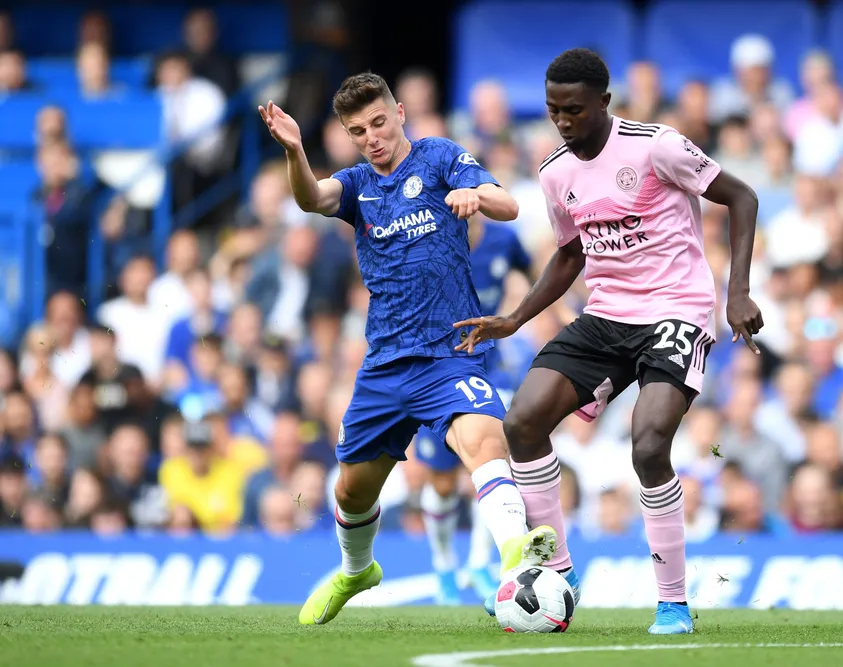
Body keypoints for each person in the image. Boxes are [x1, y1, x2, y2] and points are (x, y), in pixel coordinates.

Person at [454, 48, 763, 634]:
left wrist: (737, 291)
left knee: (648, 447)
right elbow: (571, 253)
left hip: (677, 310)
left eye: (573, 109)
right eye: (552, 110)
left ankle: (672, 602)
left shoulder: (656, 146)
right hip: (608, 315)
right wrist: (516, 318)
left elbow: (741, 197)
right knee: (521, 422)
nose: (562, 121)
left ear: (604, 102)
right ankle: (562, 575)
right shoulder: (554, 172)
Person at [258, 72, 557, 626]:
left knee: (482, 438)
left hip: (450, 351)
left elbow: (509, 204)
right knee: (351, 492)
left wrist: (477, 195)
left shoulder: (440, 156)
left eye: (378, 121)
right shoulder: (355, 186)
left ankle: (516, 556)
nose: (372, 136)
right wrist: (296, 150)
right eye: (358, 130)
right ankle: (356, 572)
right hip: (385, 364)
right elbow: (310, 198)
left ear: (399, 112)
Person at [413, 212, 533, 605]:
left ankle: (482, 563)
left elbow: (530, 273)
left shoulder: (504, 240)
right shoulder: (427, 241)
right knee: (444, 484)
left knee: (494, 458)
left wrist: (549, 311)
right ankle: (444, 564)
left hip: (488, 365)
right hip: (437, 369)